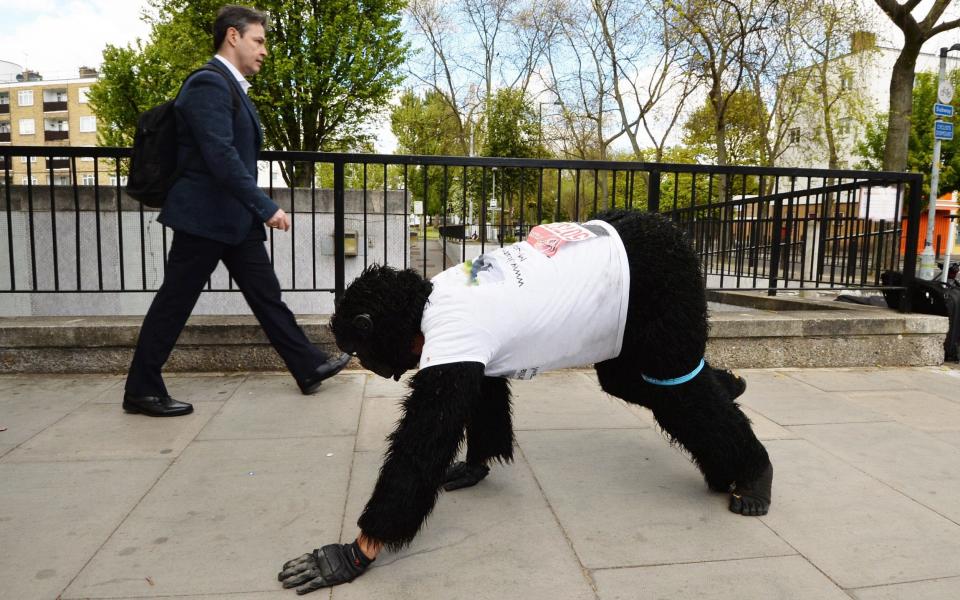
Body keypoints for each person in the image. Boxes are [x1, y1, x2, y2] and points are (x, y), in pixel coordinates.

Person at [277, 210, 772, 593]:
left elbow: (421, 446)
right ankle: (711, 386)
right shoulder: (445, 290)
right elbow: (484, 375)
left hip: (650, 272)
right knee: (621, 378)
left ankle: (751, 464)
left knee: (673, 390)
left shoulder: (454, 330)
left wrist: (361, 550)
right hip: (618, 248)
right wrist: (478, 457)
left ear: (379, 331)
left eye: (364, 352)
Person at [123, 5, 349, 417]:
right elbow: (221, 156)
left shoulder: (229, 86)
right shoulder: (208, 84)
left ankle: (308, 364)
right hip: (205, 219)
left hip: (232, 220)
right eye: (258, 41)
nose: (264, 50)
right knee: (174, 302)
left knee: (267, 297)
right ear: (233, 37)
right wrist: (265, 206)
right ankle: (141, 389)